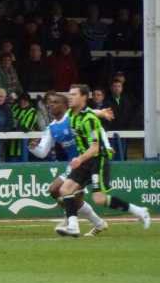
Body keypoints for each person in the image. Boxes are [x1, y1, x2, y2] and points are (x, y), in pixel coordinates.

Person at [56, 84, 151, 237]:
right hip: (84, 160)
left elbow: (94, 148)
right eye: (69, 94)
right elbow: (88, 111)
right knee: (65, 189)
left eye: (74, 94)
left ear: (84, 97)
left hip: (97, 160)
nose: (70, 97)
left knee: (99, 199)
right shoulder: (72, 114)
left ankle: (139, 211)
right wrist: (101, 112)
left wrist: (79, 159)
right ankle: (73, 226)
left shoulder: (90, 120)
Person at [29, 92, 109, 236]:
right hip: (74, 164)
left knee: (67, 193)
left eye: (55, 102)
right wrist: (33, 148)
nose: (50, 105)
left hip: (88, 160)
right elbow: (42, 153)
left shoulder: (73, 117)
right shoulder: (51, 128)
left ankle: (71, 222)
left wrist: (107, 144)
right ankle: (96, 223)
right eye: (49, 103)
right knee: (55, 191)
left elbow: (95, 122)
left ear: (65, 106)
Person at [8, 93, 39, 161]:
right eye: (21, 100)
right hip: (8, 144)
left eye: (25, 100)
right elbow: (8, 120)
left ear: (29, 101)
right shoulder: (15, 107)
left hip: (22, 147)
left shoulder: (32, 111)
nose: (22, 102)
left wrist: (14, 125)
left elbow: (26, 128)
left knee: (20, 168)